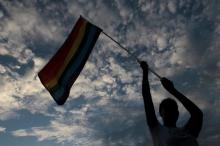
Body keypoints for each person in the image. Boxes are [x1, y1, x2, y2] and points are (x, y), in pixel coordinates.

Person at [140, 61, 203, 146]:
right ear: (161, 113)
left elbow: (197, 114)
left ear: (177, 113)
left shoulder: (188, 131)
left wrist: (172, 90)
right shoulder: (157, 130)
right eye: (167, 108)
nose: (170, 111)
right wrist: (145, 72)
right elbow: (147, 98)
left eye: (173, 109)